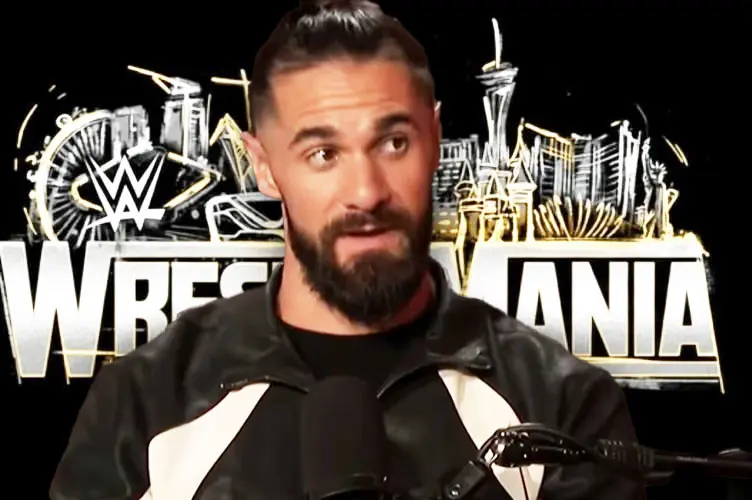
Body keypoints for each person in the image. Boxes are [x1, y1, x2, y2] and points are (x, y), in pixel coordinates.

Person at [50, 1, 644, 499]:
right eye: (323, 154)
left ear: (435, 139)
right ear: (264, 167)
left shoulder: (559, 405)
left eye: (393, 142)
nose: (366, 192)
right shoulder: (146, 403)